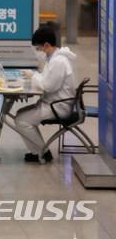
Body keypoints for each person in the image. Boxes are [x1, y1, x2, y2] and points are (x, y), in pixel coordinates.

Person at [16, 25, 76, 163]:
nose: (38, 51)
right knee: (21, 115)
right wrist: (35, 76)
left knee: (21, 119)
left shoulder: (58, 61)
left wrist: (34, 75)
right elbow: (48, 80)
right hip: (52, 102)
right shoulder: (54, 59)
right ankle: (39, 151)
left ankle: (41, 152)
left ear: (46, 45)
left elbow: (48, 86)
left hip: (58, 107)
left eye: (38, 48)